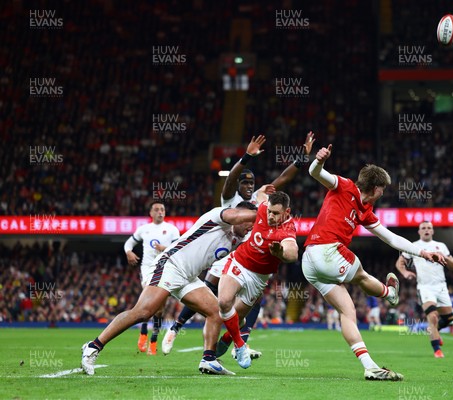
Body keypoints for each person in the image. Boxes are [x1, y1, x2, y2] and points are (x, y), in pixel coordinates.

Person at [302, 144, 446, 381]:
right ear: (376, 187)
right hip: (325, 250)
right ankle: (389, 293)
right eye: (383, 190)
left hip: (309, 263)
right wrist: (319, 160)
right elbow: (315, 173)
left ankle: (369, 366)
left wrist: (422, 252)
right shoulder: (345, 186)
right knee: (359, 274)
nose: (383, 194)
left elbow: (391, 238)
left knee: (348, 312)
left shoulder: (365, 210)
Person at [162, 133, 314, 357]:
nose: (249, 186)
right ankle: (176, 327)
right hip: (225, 252)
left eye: (251, 182)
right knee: (210, 288)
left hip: (250, 255)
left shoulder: (262, 201)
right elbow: (230, 178)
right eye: (245, 182)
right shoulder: (229, 200)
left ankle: (240, 342)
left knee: (253, 300)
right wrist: (246, 157)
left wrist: (301, 159)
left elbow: (283, 179)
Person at [81, 196, 267, 376]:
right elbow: (235, 216)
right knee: (144, 312)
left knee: (217, 313)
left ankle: (208, 359)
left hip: (189, 277)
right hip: (170, 265)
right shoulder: (219, 216)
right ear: (241, 214)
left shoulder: (239, 240)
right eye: (250, 220)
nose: (252, 226)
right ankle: (93, 347)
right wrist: (264, 212)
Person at [216, 191, 298, 369]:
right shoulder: (263, 208)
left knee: (236, 320)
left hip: (259, 278)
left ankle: (229, 338)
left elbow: (292, 252)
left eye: (276, 213)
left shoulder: (288, 229)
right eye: (269, 211)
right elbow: (260, 195)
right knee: (223, 302)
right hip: (239, 261)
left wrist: (281, 253)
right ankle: (240, 345)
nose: (270, 216)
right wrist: (264, 190)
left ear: (287, 212)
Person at [123, 201, 180, 355]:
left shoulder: (172, 229)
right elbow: (129, 243)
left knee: (159, 308)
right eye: (156, 209)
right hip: (148, 269)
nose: (160, 212)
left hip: (166, 269)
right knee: (148, 302)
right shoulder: (144, 229)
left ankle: (153, 340)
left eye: (162, 209)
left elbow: (179, 248)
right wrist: (128, 251)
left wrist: (165, 249)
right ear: (151, 213)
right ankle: (143, 333)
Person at [395, 221, 453, 358]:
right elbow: (399, 262)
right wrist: (405, 273)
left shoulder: (441, 246)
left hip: (441, 286)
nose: (426, 230)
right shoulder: (414, 246)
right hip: (425, 287)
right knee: (433, 316)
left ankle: (433, 330)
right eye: (423, 228)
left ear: (433, 231)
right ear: (419, 231)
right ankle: (437, 350)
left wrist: (444, 256)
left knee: (449, 320)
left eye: (429, 228)